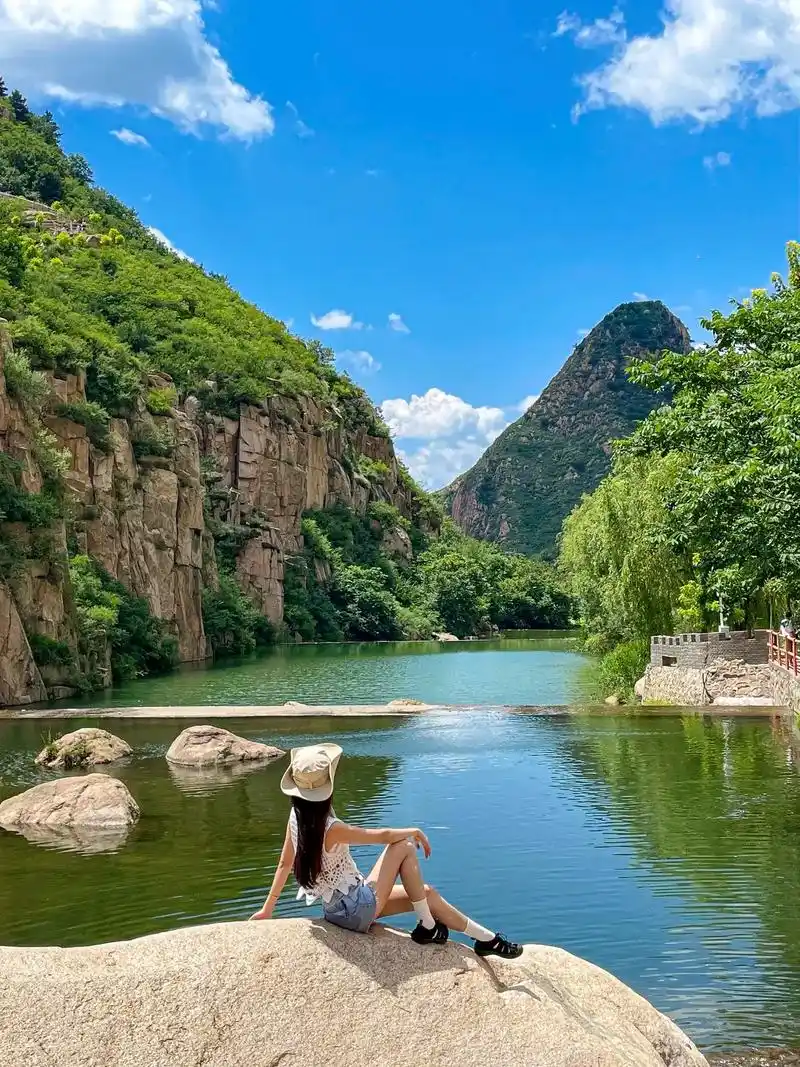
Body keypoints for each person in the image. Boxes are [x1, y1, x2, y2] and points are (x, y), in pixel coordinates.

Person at [250, 743, 523, 959]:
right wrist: (413, 830)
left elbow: (284, 864)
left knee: (427, 894)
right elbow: (379, 836)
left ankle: (487, 940)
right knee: (403, 845)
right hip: (356, 909)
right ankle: (427, 927)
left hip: (337, 911)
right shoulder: (331, 828)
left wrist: (267, 909)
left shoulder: (295, 819)